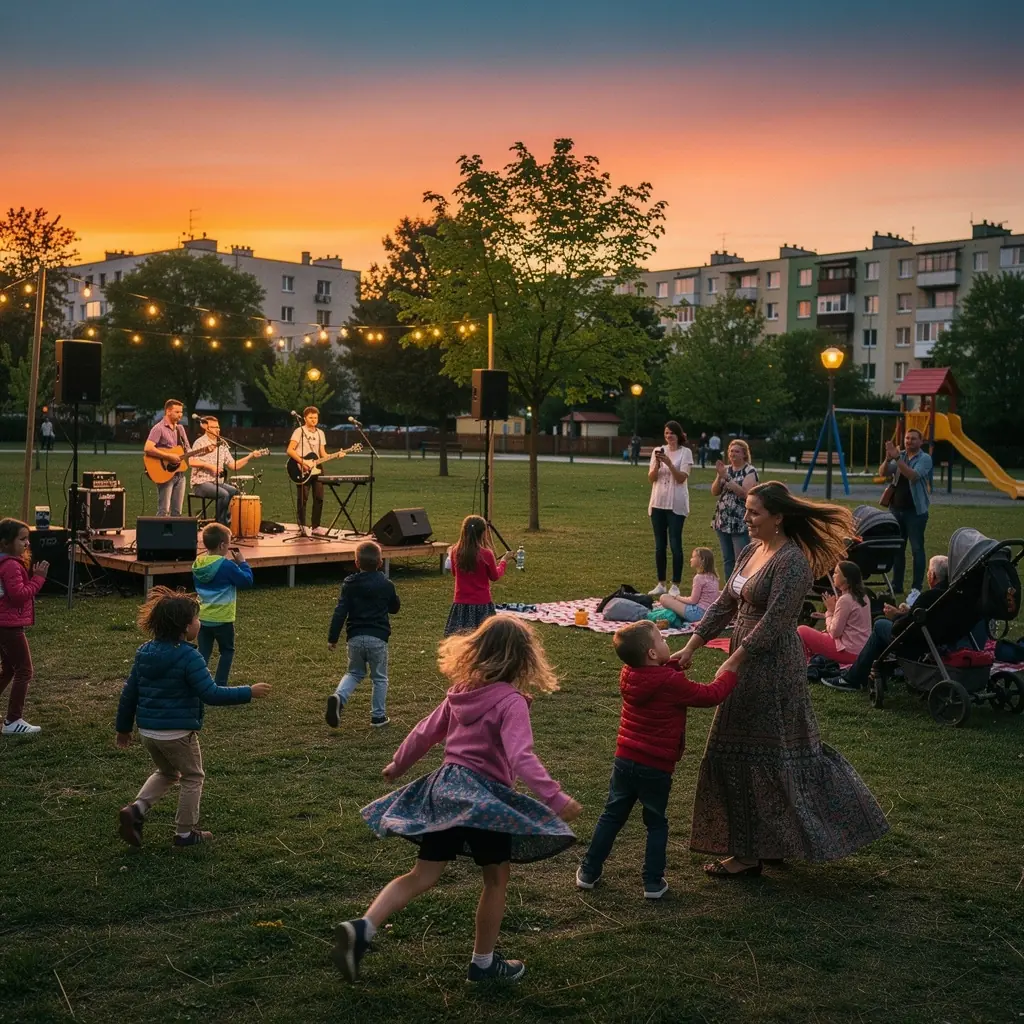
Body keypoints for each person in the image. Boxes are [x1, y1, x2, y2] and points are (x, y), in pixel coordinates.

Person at [330, 615, 582, 985]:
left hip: (446, 791)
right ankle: (483, 964)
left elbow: (425, 731)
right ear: (523, 660)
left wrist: (398, 764)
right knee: (496, 880)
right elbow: (520, 757)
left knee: (422, 874)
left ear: (477, 650)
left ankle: (363, 927)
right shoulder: (511, 702)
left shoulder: (461, 692)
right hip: (485, 800)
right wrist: (555, 798)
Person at [673, 481, 889, 875]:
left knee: (771, 755)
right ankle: (763, 845)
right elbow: (725, 603)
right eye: (747, 511)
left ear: (778, 517)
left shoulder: (792, 562)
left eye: (755, 512)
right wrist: (692, 644)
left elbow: (775, 622)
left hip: (772, 666)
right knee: (748, 754)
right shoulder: (751, 550)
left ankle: (750, 854)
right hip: (745, 655)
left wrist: (735, 660)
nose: (747, 518)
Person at [575, 620, 739, 899]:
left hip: (625, 760)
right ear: (652, 654)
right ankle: (652, 882)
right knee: (655, 823)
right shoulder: (670, 682)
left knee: (612, 815)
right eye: (661, 640)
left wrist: (672, 665)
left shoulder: (629, 673)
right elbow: (710, 695)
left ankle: (589, 871)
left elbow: (658, 681)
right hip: (656, 767)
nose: (666, 643)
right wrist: (729, 673)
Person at [115, 586, 270, 848]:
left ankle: (136, 810)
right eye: (196, 619)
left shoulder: (144, 652)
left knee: (167, 772)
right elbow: (210, 693)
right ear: (185, 628)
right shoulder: (190, 656)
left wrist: (123, 728)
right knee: (193, 776)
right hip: (177, 734)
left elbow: (129, 693)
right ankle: (185, 833)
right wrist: (248, 692)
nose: (199, 623)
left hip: (149, 733)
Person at [825, 555, 950, 692]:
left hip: (915, 640)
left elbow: (908, 624)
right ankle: (872, 668)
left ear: (932, 576)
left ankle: (853, 678)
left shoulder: (929, 596)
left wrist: (896, 616)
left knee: (880, 625)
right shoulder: (949, 596)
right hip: (934, 638)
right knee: (879, 623)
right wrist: (902, 613)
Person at [326, 540, 400, 729]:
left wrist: (333, 638)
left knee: (354, 672)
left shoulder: (349, 584)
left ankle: (339, 697)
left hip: (355, 638)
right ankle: (378, 716)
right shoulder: (386, 584)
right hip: (378, 638)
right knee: (379, 677)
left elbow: (340, 611)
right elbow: (395, 608)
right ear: (380, 562)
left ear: (356, 563)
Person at [0, 518, 49, 735]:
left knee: (10, 669)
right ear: (5, 543)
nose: (27, 544)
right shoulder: (10, 565)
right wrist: (38, 579)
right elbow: (18, 596)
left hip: (4, 624)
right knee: (24, 670)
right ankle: (13, 720)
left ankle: (13, 720)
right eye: (22, 539)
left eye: (27, 539)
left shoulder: (7, 562)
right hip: (8, 625)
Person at [191, 523, 254, 687]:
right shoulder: (227, 566)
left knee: (203, 652)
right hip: (223, 619)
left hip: (203, 618)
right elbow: (247, 581)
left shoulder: (198, 564)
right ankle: (220, 684)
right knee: (226, 651)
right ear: (222, 545)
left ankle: (198, 682)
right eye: (228, 543)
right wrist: (243, 563)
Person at [880, 428, 932, 594]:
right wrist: (888, 460)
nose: (909, 441)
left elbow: (913, 476)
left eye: (913, 439)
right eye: (907, 438)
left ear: (921, 442)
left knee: (917, 549)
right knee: (898, 548)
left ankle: (916, 587)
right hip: (896, 509)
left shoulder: (925, 459)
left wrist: (896, 458)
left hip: (915, 512)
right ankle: (897, 585)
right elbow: (882, 473)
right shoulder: (900, 455)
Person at [189, 416, 266, 525]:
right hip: (200, 483)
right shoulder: (200, 442)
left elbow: (233, 465)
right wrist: (210, 466)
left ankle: (228, 520)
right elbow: (191, 462)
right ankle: (220, 524)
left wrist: (250, 456)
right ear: (207, 428)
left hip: (217, 483)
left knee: (235, 492)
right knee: (224, 494)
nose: (218, 429)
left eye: (218, 426)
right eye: (214, 427)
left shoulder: (222, 444)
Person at [444, 515, 513, 636]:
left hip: (461, 603)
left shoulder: (455, 551)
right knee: (483, 638)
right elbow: (495, 576)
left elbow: (454, 572)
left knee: (460, 638)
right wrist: (504, 561)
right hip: (482, 603)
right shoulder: (486, 554)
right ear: (483, 533)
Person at [647, 420, 694, 597]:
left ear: (678, 435)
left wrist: (669, 463)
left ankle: (675, 584)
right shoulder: (658, 451)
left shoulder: (685, 453)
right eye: (666, 433)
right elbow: (652, 478)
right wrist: (658, 464)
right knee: (660, 545)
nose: (669, 436)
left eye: (672, 433)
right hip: (658, 502)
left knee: (675, 544)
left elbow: (681, 478)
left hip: (676, 504)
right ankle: (661, 583)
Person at [796, 560, 872, 668]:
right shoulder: (863, 596)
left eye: (836, 573)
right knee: (820, 635)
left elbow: (835, 632)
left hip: (848, 652)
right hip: (862, 650)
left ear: (845, 579)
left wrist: (830, 612)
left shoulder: (845, 599)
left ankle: (806, 663)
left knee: (802, 630)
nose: (833, 575)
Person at [711, 439, 758, 580]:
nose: (733, 454)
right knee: (728, 560)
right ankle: (728, 592)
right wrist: (720, 475)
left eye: (737, 451)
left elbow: (746, 494)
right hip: (723, 520)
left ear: (744, 454)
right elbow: (714, 491)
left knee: (741, 560)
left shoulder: (749, 471)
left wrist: (727, 478)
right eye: (731, 451)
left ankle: (741, 589)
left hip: (740, 520)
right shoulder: (726, 470)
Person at [287, 406, 335, 536]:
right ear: (304, 418)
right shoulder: (299, 431)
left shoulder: (320, 433)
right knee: (303, 498)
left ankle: (316, 526)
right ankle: (302, 525)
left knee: (319, 497)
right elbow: (290, 450)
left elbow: (322, 453)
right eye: (311, 418)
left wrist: (336, 455)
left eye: (315, 418)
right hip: (301, 468)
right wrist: (303, 462)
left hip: (317, 468)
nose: (313, 420)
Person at [145, 399, 192, 516]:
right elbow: (148, 448)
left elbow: (188, 449)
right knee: (164, 510)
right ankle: (157, 533)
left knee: (177, 512)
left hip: (180, 474)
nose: (180, 415)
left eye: (181, 412)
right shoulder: (158, 428)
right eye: (177, 412)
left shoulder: (180, 429)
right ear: (168, 411)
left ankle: (175, 534)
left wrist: (202, 451)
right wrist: (169, 456)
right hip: (164, 472)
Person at [653, 547, 721, 625]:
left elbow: (693, 601)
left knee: (664, 598)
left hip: (697, 614)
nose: (690, 559)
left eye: (693, 557)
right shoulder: (714, 577)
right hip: (710, 613)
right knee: (678, 601)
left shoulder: (699, 578)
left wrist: (677, 597)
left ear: (702, 560)